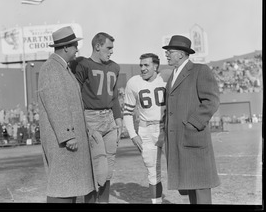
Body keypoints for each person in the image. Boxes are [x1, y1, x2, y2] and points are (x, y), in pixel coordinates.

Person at [38, 26, 97, 203]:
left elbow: (71, 105)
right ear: (65, 47)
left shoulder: (62, 68)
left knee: (69, 186)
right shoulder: (51, 68)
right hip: (64, 141)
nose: (77, 50)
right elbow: (56, 104)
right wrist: (68, 135)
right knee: (61, 186)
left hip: (69, 139)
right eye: (74, 46)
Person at [162, 35, 220, 204]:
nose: (166, 55)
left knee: (201, 186)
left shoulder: (200, 70)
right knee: (190, 186)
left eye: (170, 52)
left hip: (193, 137)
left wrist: (193, 124)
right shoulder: (173, 75)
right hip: (179, 140)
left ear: (181, 54)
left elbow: (212, 101)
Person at [75, 32, 122, 203]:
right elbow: (75, 96)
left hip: (109, 118)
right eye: (108, 48)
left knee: (108, 169)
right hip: (91, 118)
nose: (111, 52)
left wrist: (118, 119)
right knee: (96, 168)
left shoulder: (114, 67)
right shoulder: (83, 65)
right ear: (97, 46)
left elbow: (114, 96)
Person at [123, 53, 169, 204]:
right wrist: (132, 134)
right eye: (141, 65)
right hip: (146, 130)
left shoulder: (167, 79)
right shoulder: (134, 83)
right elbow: (127, 112)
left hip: (166, 129)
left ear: (156, 66)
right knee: (153, 172)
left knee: (178, 166)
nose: (142, 68)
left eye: (146, 65)